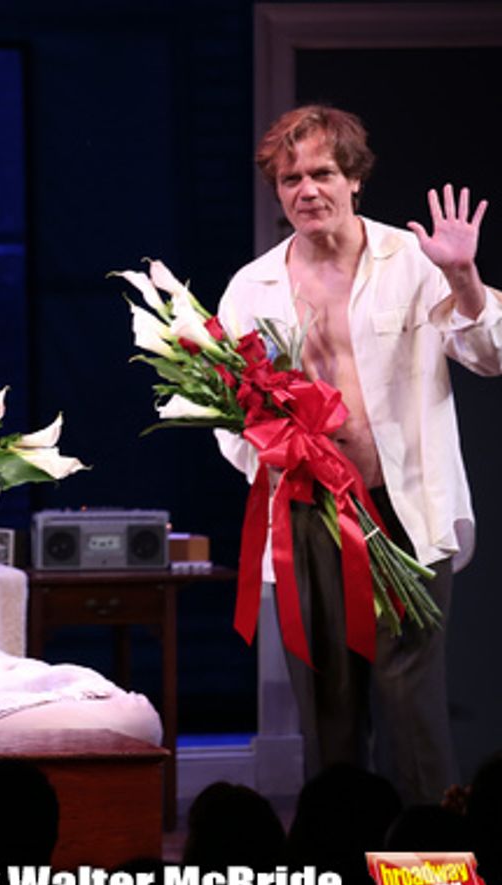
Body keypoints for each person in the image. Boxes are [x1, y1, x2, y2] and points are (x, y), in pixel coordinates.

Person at [215, 105, 502, 806]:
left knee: (412, 712)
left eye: (321, 173)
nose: (306, 190)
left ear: (354, 181)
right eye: (290, 179)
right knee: (329, 716)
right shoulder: (251, 288)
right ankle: (344, 875)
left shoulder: (412, 260)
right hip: (310, 518)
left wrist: (464, 276)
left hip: (404, 509)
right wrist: (276, 452)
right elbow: (226, 419)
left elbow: (489, 354)